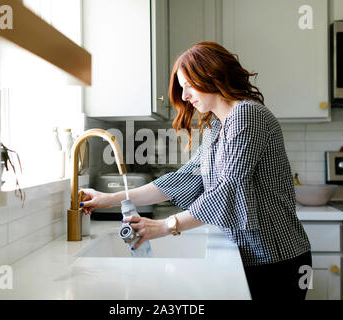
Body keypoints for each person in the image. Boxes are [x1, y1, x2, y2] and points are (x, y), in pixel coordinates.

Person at [79, 41, 312, 300]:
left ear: (210, 74)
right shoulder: (216, 128)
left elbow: (228, 189)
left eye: (188, 85)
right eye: (182, 88)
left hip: (279, 257)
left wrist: (166, 225)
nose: (186, 95)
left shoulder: (248, 114)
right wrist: (108, 199)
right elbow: (182, 179)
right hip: (252, 255)